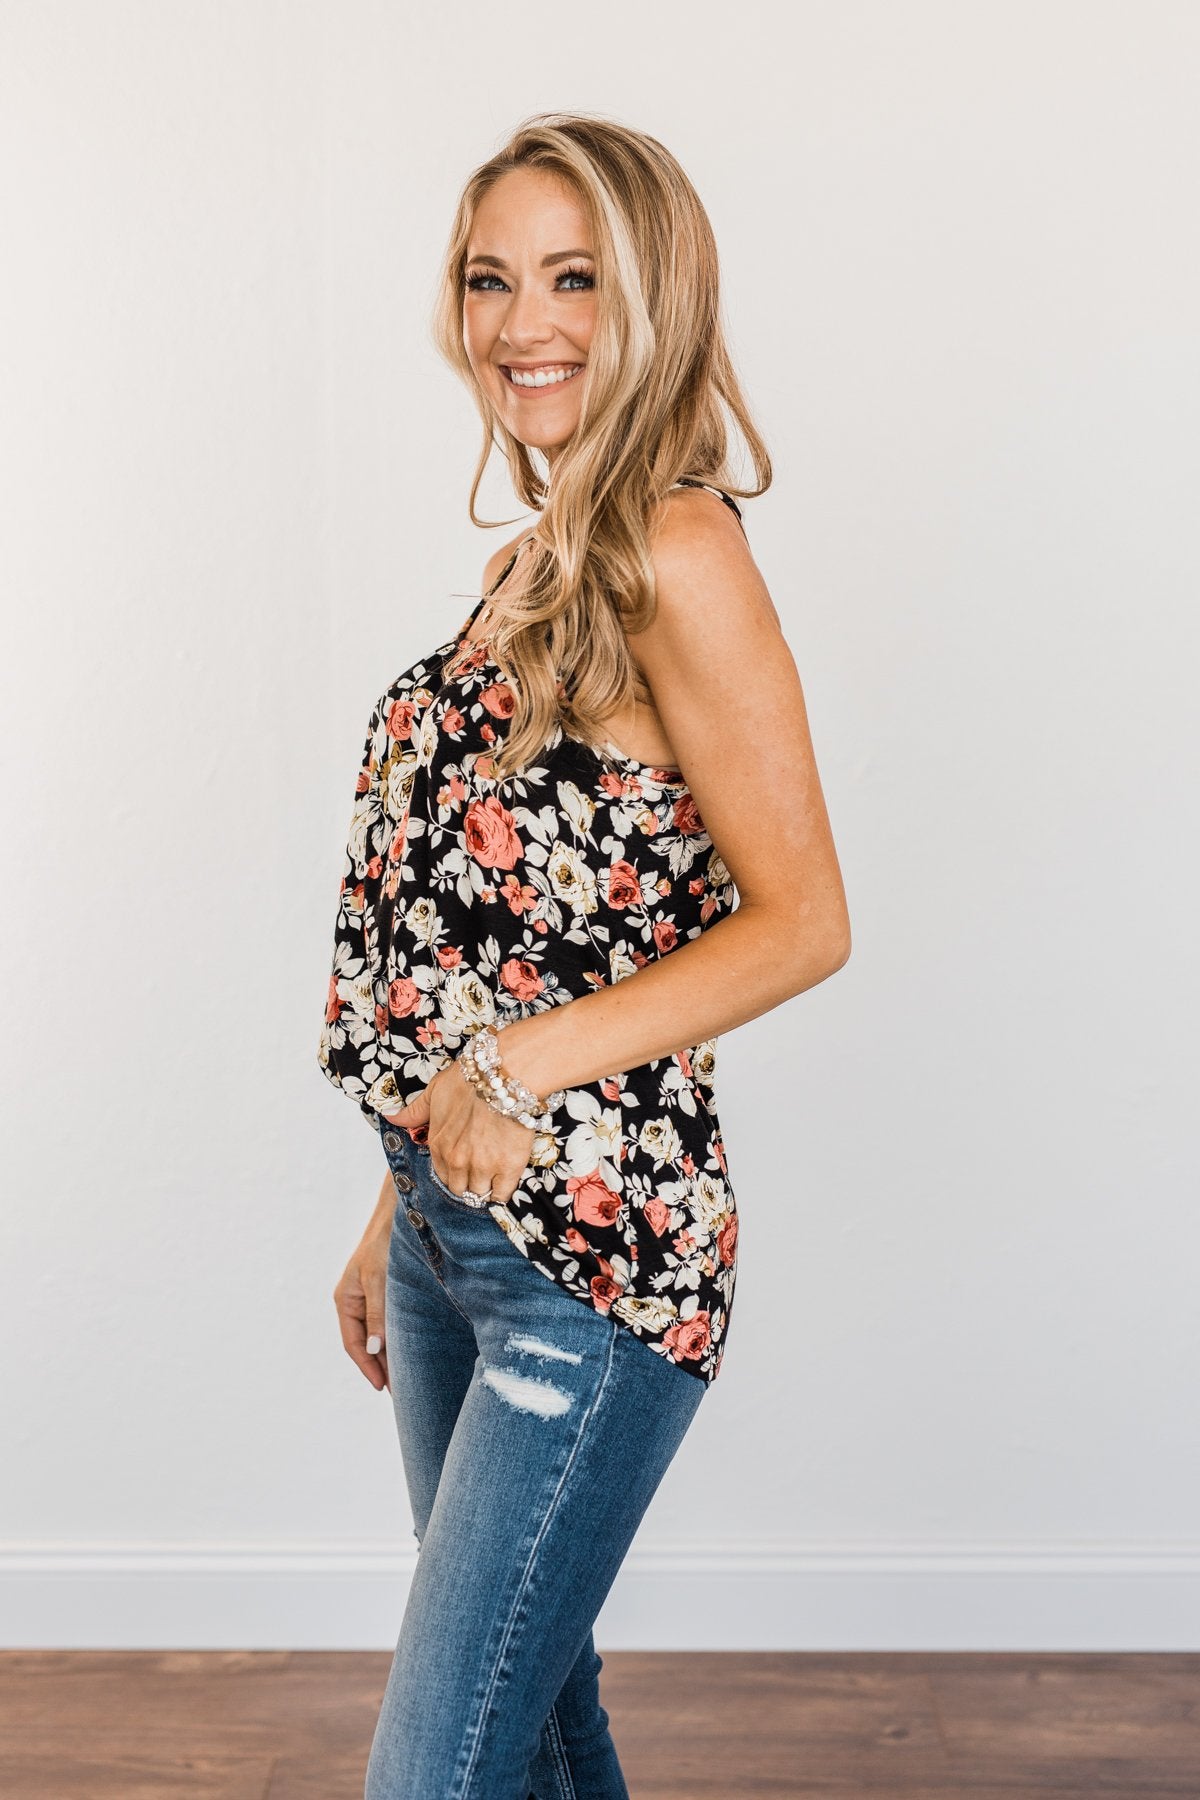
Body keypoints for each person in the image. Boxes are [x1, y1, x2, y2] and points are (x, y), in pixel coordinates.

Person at [319, 111, 851, 1800]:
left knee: (437, 1774)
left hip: (594, 1268)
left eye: (574, 279)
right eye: (491, 280)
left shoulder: (677, 552)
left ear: (654, 300)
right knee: (539, 1734)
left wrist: (511, 1070)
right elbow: (492, 937)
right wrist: (397, 1199)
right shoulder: (538, 564)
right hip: (451, 1233)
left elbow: (805, 920)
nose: (522, 323)